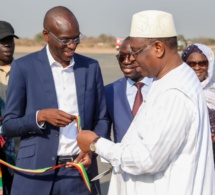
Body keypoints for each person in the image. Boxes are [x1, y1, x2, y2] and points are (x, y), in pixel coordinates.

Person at [75, 10, 215, 195]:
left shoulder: (175, 92)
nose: (132, 59)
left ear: (158, 48)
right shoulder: (169, 79)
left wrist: (96, 143)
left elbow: (147, 159)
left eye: (136, 51)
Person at [2, 6, 109, 195]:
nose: (73, 45)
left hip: (78, 172)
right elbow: (9, 125)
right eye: (65, 40)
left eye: (76, 38)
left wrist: (92, 148)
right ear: (46, 35)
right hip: (35, 175)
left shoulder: (91, 67)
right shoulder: (24, 67)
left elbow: (101, 119)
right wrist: (39, 117)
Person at [105, 36, 153, 142]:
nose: (126, 62)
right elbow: (103, 130)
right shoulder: (109, 91)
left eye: (131, 57)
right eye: (121, 57)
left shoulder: (161, 87)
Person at [181, 43, 215, 164]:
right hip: (188, 157)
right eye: (191, 64)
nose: (197, 67)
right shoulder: (178, 91)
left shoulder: (213, 90)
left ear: (209, 65)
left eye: (202, 63)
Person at [0, 20, 19, 195]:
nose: (7, 44)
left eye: (10, 40)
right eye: (2, 40)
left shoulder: (25, 71)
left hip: (21, 151)